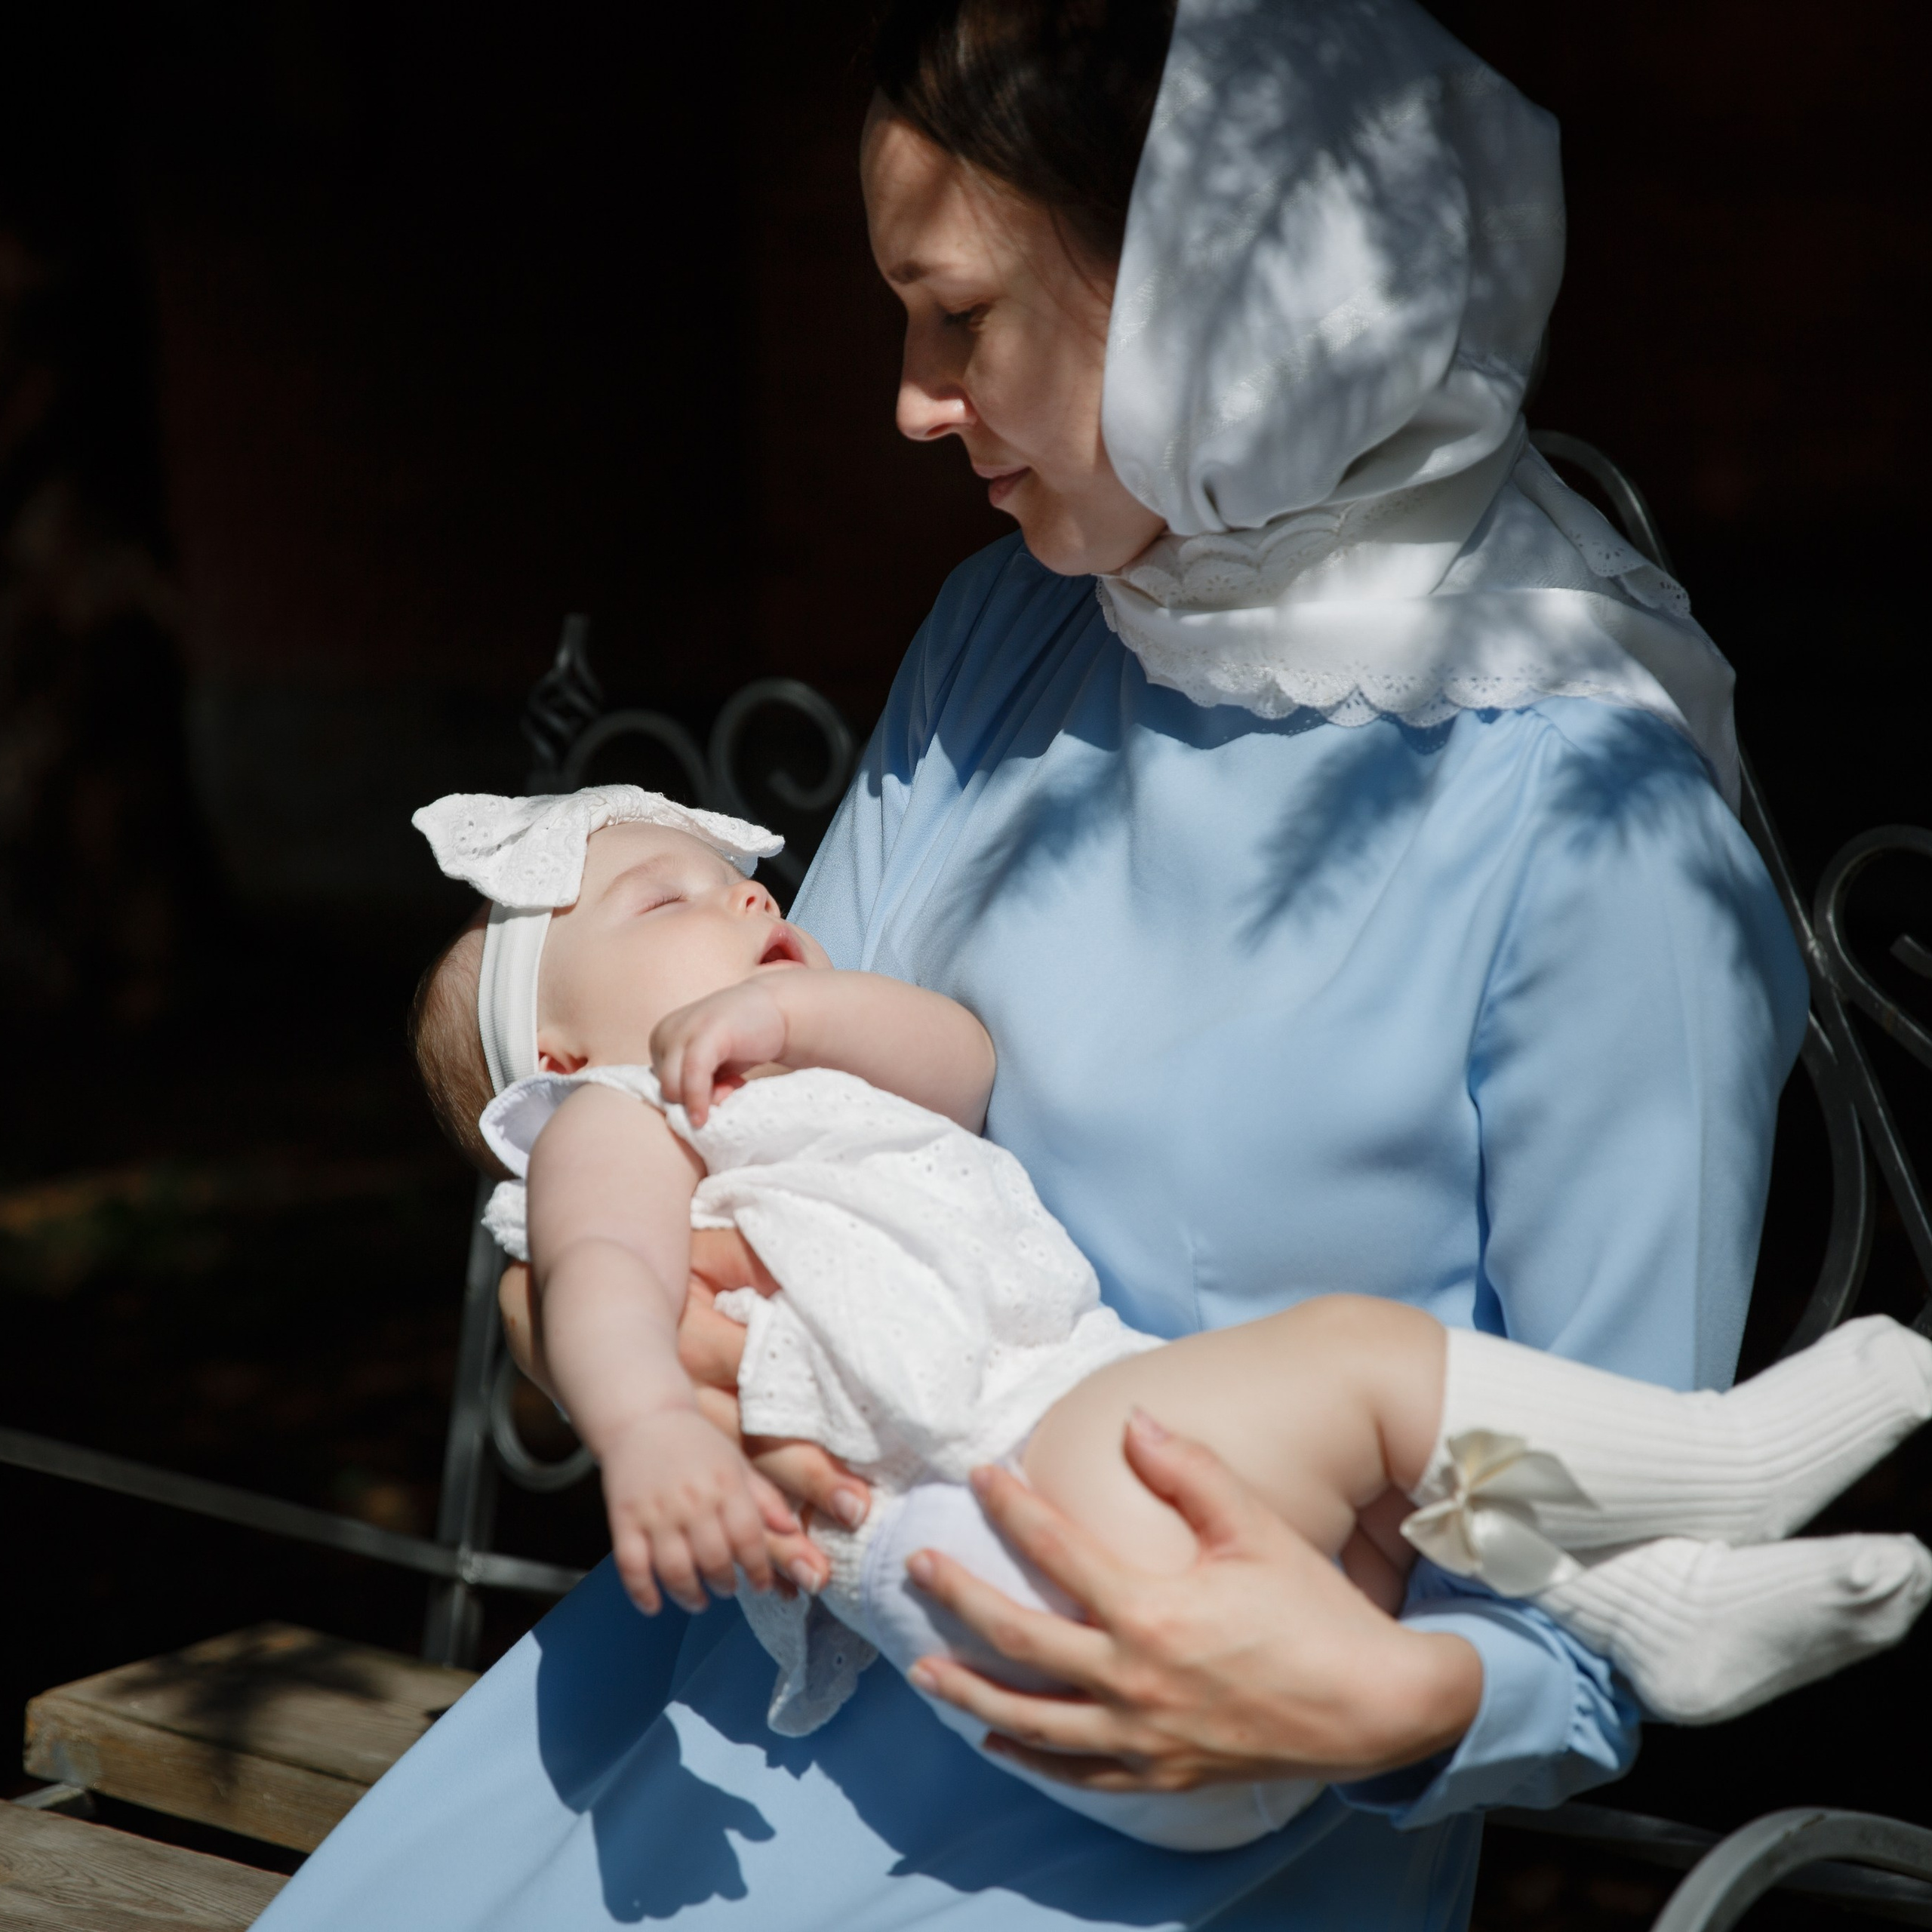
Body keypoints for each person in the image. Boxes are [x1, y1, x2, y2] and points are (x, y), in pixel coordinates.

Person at [253, 1, 1821, 1925]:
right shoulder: (1015, 629)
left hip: (1160, 1802)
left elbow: (1598, 1560)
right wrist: (582, 1327)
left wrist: (1387, 1691)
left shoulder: (1592, 829)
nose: (907, 400)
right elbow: (708, 1110)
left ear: (1218, 294)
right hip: (741, 1678)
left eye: (961, 317)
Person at [401, 780, 1926, 1856]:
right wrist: (649, 1418)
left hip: (1183, 1641)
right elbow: (600, 1273)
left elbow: (959, 1058)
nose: (742, 893)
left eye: (741, 878)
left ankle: (1643, 1604)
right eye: (667, 897)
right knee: (1344, 1361)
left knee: (1389, 1487)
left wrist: (798, 1010)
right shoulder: (605, 1117)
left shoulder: (791, 1087)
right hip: (1030, 1547)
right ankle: (1714, 1462)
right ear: (553, 1042)